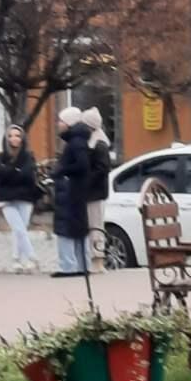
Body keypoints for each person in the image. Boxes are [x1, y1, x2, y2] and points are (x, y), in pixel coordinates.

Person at [0, 124, 42, 273]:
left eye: (17, 135)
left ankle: (19, 260)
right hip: (5, 198)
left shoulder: (28, 156)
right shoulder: (0, 157)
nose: (14, 139)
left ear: (22, 138)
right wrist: (14, 171)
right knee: (18, 228)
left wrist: (10, 172)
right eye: (11, 135)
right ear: (6, 138)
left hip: (25, 196)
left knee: (21, 229)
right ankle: (32, 256)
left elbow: (27, 175)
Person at [52, 106, 93, 279]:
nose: (58, 124)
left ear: (68, 123)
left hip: (70, 191)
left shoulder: (75, 142)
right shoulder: (78, 140)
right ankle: (82, 265)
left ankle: (68, 266)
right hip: (75, 190)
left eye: (61, 121)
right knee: (78, 228)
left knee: (67, 227)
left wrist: (61, 171)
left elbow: (82, 165)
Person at [83, 107, 113, 272]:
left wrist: (86, 179)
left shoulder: (99, 145)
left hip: (96, 192)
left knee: (96, 226)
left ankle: (98, 259)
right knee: (93, 225)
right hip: (93, 192)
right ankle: (94, 258)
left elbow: (102, 168)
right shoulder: (94, 142)